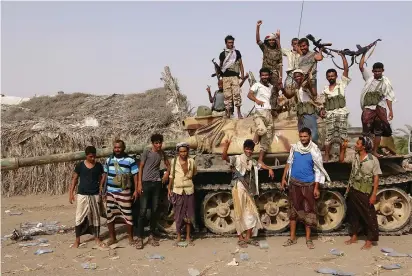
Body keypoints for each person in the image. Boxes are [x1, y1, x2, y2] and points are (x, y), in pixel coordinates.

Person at [281, 128, 330, 249]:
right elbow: (289, 162)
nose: (303, 139)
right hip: (294, 182)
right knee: (293, 211)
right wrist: (283, 178)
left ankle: (308, 239)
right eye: (301, 136)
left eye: (305, 136)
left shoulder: (314, 150)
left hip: (308, 184)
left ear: (309, 136)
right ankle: (292, 238)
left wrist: (316, 187)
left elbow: (318, 169)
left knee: (309, 211)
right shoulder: (295, 147)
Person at [222, 139, 274, 248]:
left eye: (251, 150)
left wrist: (269, 168)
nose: (249, 151)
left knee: (252, 214)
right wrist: (226, 146)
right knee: (239, 213)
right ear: (244, 149)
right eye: (247, 149)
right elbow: (225, 158)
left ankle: (248, 237)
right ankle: (240, 238)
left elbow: (260, 165)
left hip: (249, 190)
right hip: (239, 188)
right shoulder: (237, 159)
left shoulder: (252, 161)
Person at [339, 137, 381, 250]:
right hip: (354, 189)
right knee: (354, 214)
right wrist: (342, 149)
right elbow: (342, 160)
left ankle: (369, 240)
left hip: (365, 191)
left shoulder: (373, 160)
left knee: (369, 215)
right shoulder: (355, 156)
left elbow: (376, 178)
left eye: (358, 143)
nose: (355, 145)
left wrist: (374, 194)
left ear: (363, 147)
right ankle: (354, 236)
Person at [100, 140, 138, 247]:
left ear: (123, 148)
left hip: (124, 192)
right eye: (115, 147)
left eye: (119, 147)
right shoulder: (109, 160)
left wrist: (136, 189)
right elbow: (105, 174)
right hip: (110, 192)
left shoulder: (130, 160)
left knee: (128, 216)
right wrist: (102, 188)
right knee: (110, 216)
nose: (117, 149)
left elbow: (135, 175)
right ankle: (113, 238)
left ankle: (130, 238)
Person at [135, 133, 170, 249]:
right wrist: (139, 184)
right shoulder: (147, 152)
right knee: (143, 211)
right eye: (156, 143)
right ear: (152, 143)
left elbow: (168, 165)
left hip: (156, 183)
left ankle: (151, 235)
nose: (158, 145)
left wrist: (167, 175)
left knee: (154, 210)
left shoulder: (162, 153)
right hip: (145, 183)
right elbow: (141, 167)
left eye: (160, 142)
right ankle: (139, 237)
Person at [359, 53, 396, 157]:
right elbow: (361, 67)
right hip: (369, 107)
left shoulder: (386, 82)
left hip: (381, 107)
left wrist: (391, 111)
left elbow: (389, 97)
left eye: (379, 71)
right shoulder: (369, 79)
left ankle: (375, 151)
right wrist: (364, 53)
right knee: (366, 129)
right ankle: (366, 150)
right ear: (372, 71)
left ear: (382, 71)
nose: (377, 72)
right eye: (375, 71)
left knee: (378, 131)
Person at [69, 146, 105, 248]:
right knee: (79, 217)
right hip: (82, 195)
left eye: (94, 156)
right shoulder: (80, 166)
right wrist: (71, 193)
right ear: (86, 156)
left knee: (96, 217)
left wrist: (101, 187)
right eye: (90, 157)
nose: (93, 159)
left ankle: (97, 238)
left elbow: (102, 177)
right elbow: (75, 179)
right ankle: (77, 240)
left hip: (95, 194)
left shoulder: (98, 166)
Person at [321, 52, 351, 161]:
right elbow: (323, 103)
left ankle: (342, 155)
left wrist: (342, 56)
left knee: (343, 136)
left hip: (341, 113)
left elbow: (346, 70)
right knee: (328, 136)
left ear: (336, 76)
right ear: (327, 77)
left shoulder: (341, 85)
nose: (331, 78)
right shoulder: (325, 89)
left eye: (332, 76)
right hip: (330, 114)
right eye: (329, 76)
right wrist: (322, 110)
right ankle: (326, 155)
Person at [167, 142, 197, 245]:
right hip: (177, 190)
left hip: (189, 190)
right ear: (178, 152)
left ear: (187, 151)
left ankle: (188, 237)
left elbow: (194, 173)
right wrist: (169, 188)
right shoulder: (174, 161)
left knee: (188, 215)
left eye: (185, 151)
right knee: (178, 214)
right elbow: (171, 175)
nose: (183, 153)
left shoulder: (191, 161)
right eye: (181, 151)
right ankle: (179, 236)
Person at [282, 68, 322, 143]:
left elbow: (314, 93)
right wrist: (281, 88)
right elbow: (289, 95)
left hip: (309, 113)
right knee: (302, 135)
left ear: (302, 76)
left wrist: (309, 82)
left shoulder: (306, 85)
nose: (297, 78)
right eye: (296, 77)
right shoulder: (297, 88)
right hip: (300, 115)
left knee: (313, 134)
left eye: (299, 76)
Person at [247, 67, 274, 163]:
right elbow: (249, 94)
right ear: (260, 76)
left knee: (266, 141)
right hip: (259, 113)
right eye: (263, 75)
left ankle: (260, 160)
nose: (265, 77)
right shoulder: (256, 85)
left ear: (269, 76)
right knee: (262, 130)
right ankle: (254, 139)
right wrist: (256, 100)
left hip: (268, 113)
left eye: (266, 75)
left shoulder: (270, 87)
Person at [255, 20, 283, 110]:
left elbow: (280, 64)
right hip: (265, 73)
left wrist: (280, 77)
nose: (271, 41)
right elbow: (258, 40)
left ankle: (273, 108)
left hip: (274, 73)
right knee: (262, 90)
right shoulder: (265, 48)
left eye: (273, 40)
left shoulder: (278, 51)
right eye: (270, 40)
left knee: (275, 91)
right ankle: (263, 107)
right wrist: (258, 27)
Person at [219, 35, 245, 118]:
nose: (231, 44)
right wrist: (219, 77)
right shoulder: (222, 54)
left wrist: (243, 74)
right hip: (225, 77)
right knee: (227, 95)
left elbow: (241, 64)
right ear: (226, 43)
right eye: (229, 42)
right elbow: (220, 66)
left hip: (235, 76)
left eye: (232, 42)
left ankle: (239, 112)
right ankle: (228, 113)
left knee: (237, 94)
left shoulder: (236, 53)